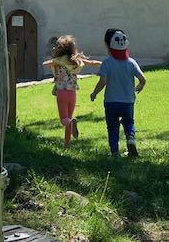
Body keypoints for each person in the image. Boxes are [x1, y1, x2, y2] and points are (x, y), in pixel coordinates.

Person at [90, 28, 146, 158]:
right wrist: (139, 86)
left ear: (107, 45)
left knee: (113, 127)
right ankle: (131, 139)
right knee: (129, 122)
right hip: (128, 101)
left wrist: (94, 93)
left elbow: (103, 82)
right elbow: (143, 79)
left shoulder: (107, 63)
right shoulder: (131, 62)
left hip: (111, 101)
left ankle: (115, 152)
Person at [42, 35, 101, 147]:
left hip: (61, 93)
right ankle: (67, 143)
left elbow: (44, 65)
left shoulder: (57, 61)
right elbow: (93, 63)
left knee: (64, 120)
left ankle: (71, 123)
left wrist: (54, 62)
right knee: (69, 116)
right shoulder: (75, 61)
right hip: (72, 93)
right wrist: (103, 64)